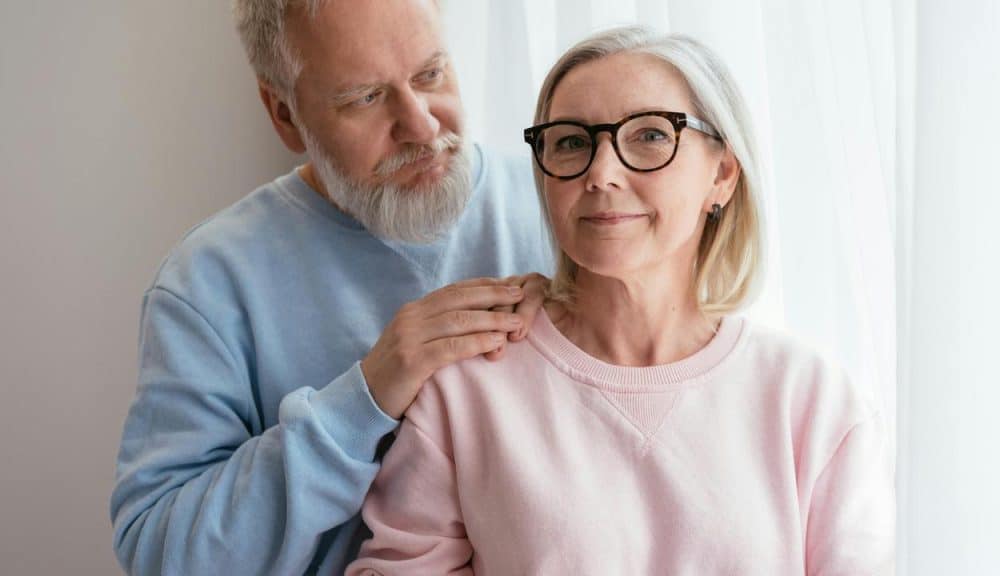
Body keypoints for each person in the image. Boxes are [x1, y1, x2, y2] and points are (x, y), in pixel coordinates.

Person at [348, 26, 895, 574]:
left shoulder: (812, 400)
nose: (601, 174)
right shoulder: (467, 388)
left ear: (723, 174)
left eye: (651, 136)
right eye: (570, 142)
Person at [109, 0, 552, 573]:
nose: (420, 125)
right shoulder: (208, 284)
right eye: (365, 98)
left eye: (430, 74)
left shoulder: (563, 209)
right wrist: (361, 403)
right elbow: (161, 554)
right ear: (285, 116)